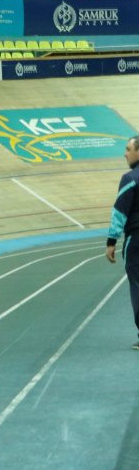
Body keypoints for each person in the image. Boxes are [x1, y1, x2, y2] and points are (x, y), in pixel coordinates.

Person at [105, 135, 139, 351]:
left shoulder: (130, 179)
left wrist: (111, 241)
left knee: (137, 285)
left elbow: (119, 212)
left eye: (128, 149)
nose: (125, 153)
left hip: (136, 241)